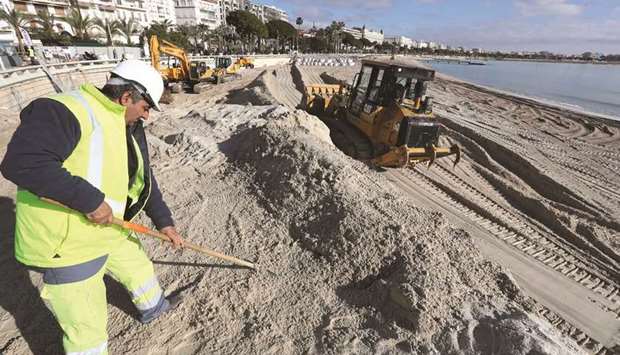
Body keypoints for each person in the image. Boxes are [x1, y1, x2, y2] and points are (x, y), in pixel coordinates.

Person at [0, 60, 185, 354]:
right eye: (146, 107)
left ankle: (154, 307)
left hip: (111, 228)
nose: (147, 116)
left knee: (138, 267)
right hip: (69, 242)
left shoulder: (128, 125)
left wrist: (164, 221)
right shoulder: (66, 110)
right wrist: (89, 201)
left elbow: (141, 179)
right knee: (87, 327)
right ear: (127, 97)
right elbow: (23, 162)